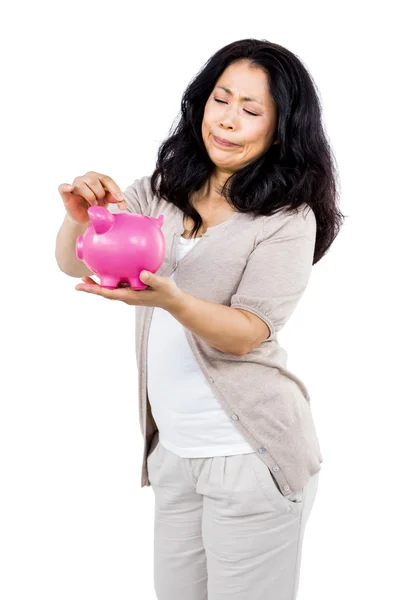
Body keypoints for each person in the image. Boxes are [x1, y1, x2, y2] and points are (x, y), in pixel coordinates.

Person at [55, 38, 344, 600]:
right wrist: (79, 220)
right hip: (175, 454)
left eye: (251, 109)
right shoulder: (160, 191)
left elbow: (250, 330)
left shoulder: (287, 217)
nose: (229, 119)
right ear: (201, 103)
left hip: (251, 456)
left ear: (280, 128)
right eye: (221, 98)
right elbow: (75, 260)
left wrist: (173, 300)